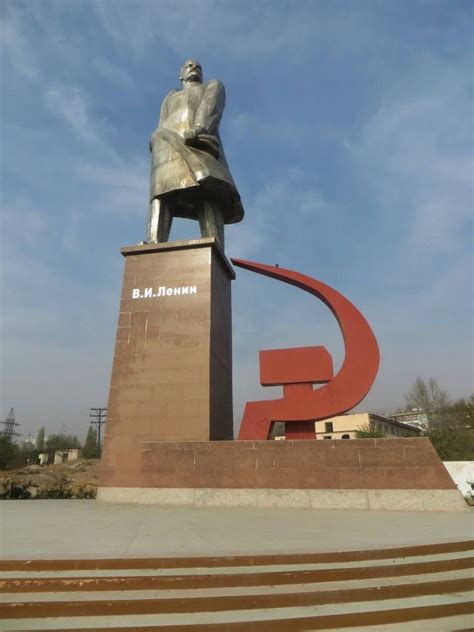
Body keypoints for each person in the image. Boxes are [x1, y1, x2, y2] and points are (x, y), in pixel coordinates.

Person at [146, 59, 244, 250]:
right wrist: (156, 139)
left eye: (198, 66)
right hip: (166, 145)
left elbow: (211, 106)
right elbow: (162, 122)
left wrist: (199, 129)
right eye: (189, 66)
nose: (194, 68)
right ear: (180, 74)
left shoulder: (212, 85)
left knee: (208, 193)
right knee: (162, 191)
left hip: (199, 145)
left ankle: (215, 248)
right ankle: (153, 242)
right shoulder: (170, 97)